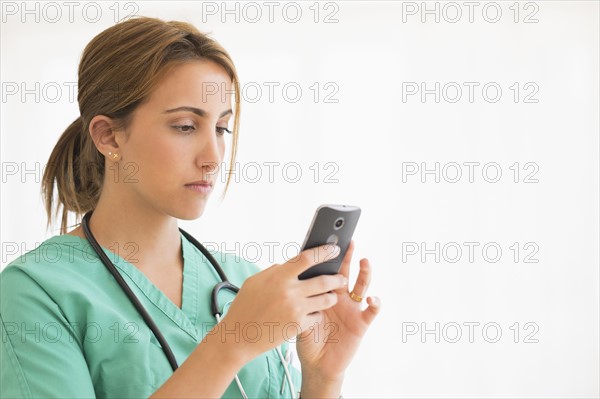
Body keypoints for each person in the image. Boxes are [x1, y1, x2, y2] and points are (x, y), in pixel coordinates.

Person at [0, 16, 381, 398]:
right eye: (185, 126)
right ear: (108, 135)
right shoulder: (35, 293)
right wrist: (231, 345)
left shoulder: (245, 283)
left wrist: (323, 378)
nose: (213, 157)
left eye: (221, 128)